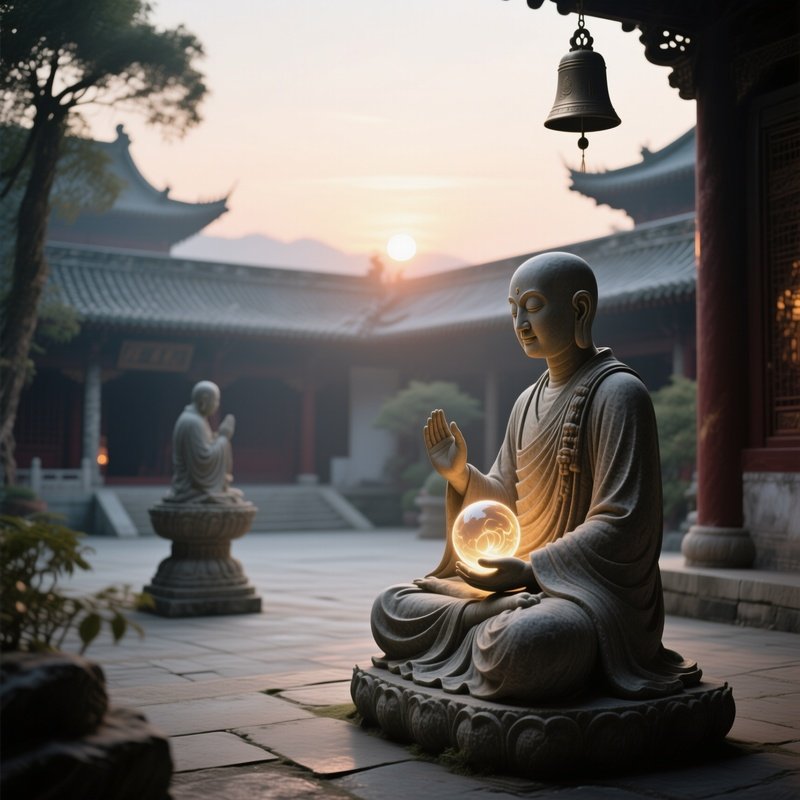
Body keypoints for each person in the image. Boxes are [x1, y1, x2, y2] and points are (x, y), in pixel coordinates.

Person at [371, 252, 701, 702]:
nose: (519, 322)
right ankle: (488, 614)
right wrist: (462, 476)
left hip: (583, 595)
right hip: (515, 585)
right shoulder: (527, 401)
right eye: (512, 310)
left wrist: (531, 570)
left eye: (532, 306)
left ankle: (495, 619)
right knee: (390, 606)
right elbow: (505, 498)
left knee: (527, 643)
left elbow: (623, 523)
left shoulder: (619, 394)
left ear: (580, 310)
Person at [165, 381, 244, 505]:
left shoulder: (196, 418)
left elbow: (205, 445)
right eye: (216, 400)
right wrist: (223, 438)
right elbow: (203, 459)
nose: (217, 405)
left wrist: (217, 438)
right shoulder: (193, 422)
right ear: (204, 400)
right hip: (189, 486)